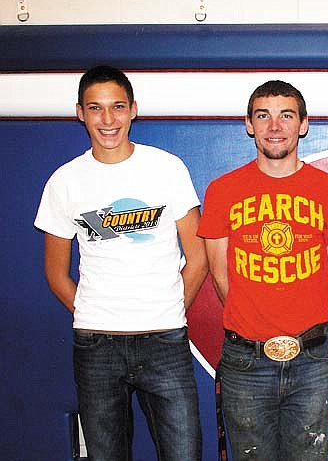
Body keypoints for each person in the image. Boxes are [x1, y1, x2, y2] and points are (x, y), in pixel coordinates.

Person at [34, 65, 208, 461]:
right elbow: (55, 273)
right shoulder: (65, 180)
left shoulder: (167, 167)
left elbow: (198, 259)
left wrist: (168, 310)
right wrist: (95, 312)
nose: (107, 119)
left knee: (185, 453)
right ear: (80, 112)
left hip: (165, 340)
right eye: (96, 108)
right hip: (96, 346)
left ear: (133, 110)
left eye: (117, 107)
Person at [197, 80, 328, 460]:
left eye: (286, 115)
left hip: (312, 359)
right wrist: (255, 321)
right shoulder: (222, 190)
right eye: (263, 116)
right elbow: (219, 274)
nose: (274, 126)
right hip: (245, 359)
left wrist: (308, 320)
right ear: (249, 124)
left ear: (303, 124)